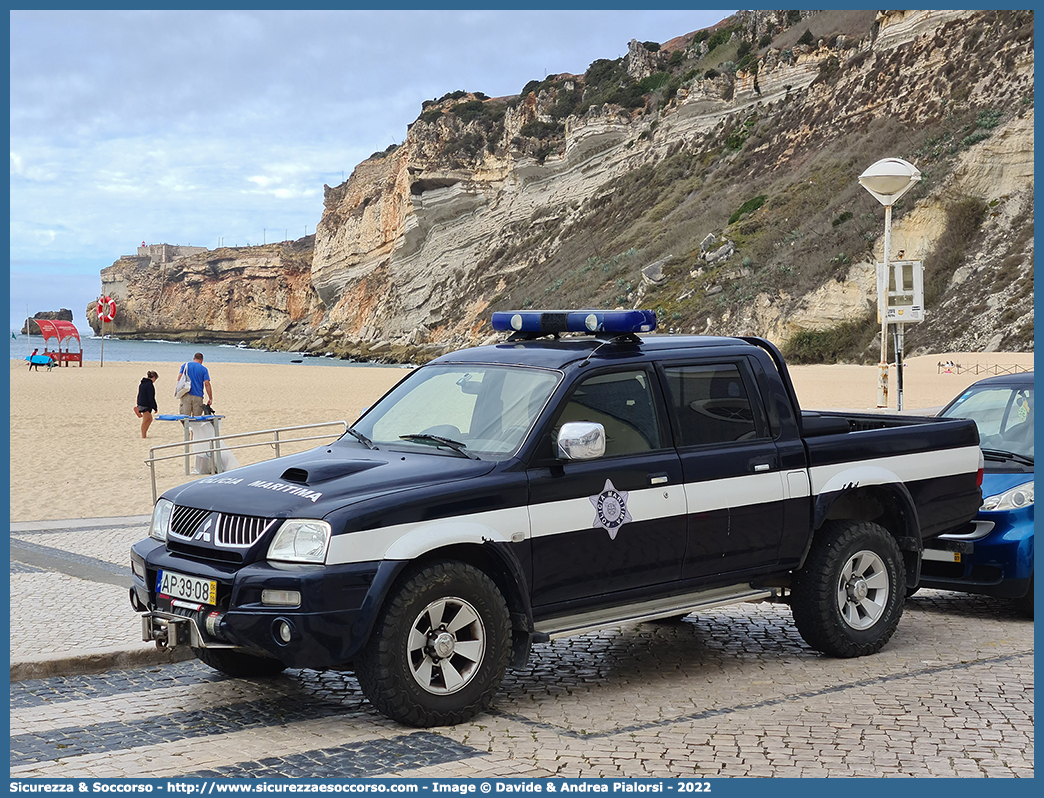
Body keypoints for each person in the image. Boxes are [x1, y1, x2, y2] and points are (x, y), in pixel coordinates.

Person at [178, 353, 213, 417]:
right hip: (198, 395)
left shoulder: (185, 365)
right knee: (197, 418)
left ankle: (187, 427)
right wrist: (210, 398)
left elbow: (179, 377)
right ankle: (193, 427)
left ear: (194, 359)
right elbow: (207, 384)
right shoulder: (204, 369)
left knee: (185, 417)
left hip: (186, 394)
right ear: (202, 360)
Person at [136, 371, 159, 438]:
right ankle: (143, 435)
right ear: (154, 378)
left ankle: (144, 434)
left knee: (148, 419)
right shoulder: (149, 384)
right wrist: (155, 407)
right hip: (144, 404)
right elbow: (151, 397)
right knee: (147, 419)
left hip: (141, 403)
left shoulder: (142, 383)